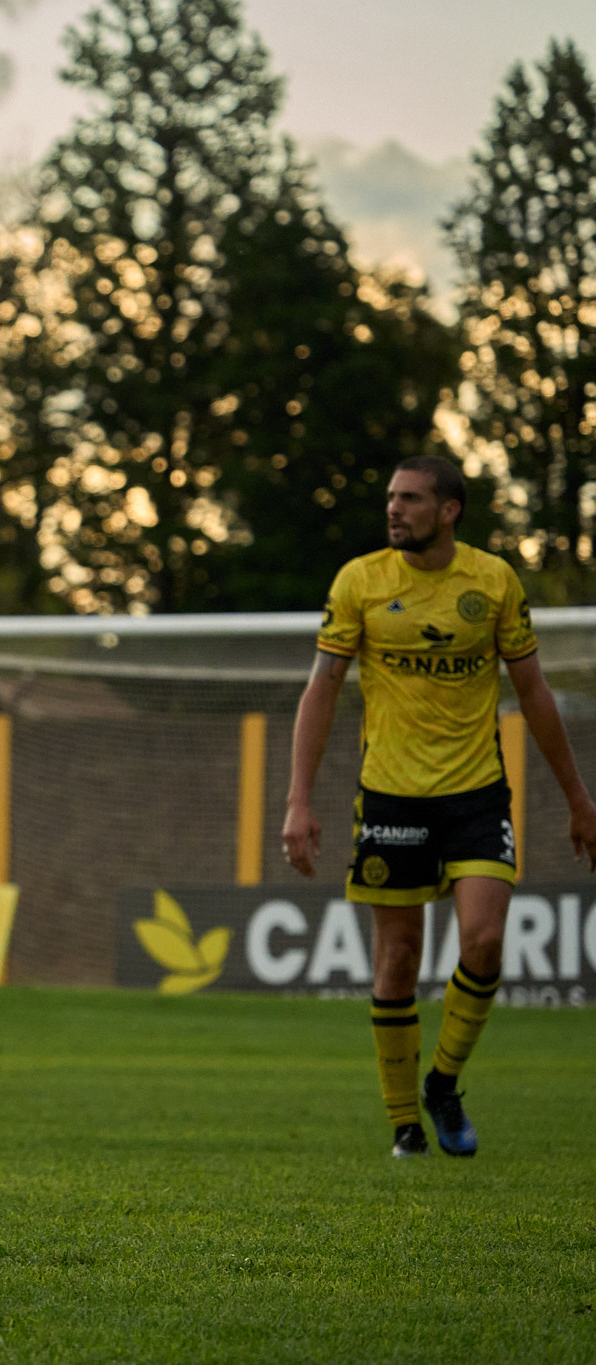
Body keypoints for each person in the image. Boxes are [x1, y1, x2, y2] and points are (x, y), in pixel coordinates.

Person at [282, 456, 596, 1158]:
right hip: (390, 794)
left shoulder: (493, 582)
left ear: (449, 510)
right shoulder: (359, 581)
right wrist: (298, 800)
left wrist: (579, 798)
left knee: (484, 942)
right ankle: (404, 1127)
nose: (394, 509)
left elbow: (537, 694)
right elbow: (321, 690)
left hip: (477, 791)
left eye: (411, 499)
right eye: (391, 497)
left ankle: (444, 1083)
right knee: (397, 958)